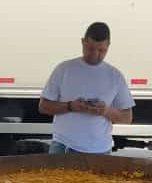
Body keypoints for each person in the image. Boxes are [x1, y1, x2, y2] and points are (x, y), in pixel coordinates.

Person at [38, 22, 135, 154]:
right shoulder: (64, 69)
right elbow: (43, 106)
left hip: (100, 152)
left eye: (101, 50)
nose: (95, 54)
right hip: (63, 148)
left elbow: (127, 118)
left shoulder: (115, 76)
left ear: (108, 46)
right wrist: (70, 106)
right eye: (90, 48)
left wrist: (105, 111)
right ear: (83, 42)